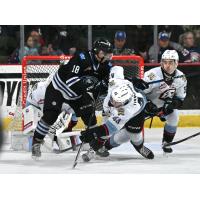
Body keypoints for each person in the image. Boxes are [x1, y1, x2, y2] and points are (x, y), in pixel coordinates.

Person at [31, 38, 113, 159]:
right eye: (103, 52)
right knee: (50, 116)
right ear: (96, 51)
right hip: (59, 89)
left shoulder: (105, 65)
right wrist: (91, 88)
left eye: (108, 53)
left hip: (77, 94)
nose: (106, 55)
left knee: (90, 117)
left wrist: (104, 86)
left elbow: (106, 82)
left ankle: (95, 145)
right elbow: (71, 80)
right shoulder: (81, 57)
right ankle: (36, 143)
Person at [79, 66, 154, 161]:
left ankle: (139, 147)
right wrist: (104, 80)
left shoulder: (127, 110)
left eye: (116, 102)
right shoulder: (115, 83)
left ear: (124, 103)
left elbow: (109, 129)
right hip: (117, 106)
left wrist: (92, 133)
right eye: (112, 99)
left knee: (134, 136)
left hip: (136, 115)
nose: (112, 103)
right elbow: (117, 68)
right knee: (103, 132)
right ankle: (94, 149)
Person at [143, 50, 187, 153]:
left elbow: (180, 98)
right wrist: (147, 104)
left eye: (171, 62)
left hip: (164, 107)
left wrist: (171, 105)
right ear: (161, 62)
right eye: (165, 62)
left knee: (174, 116)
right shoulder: (152, 75)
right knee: (130, 122)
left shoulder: (181, 77)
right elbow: (139, 93)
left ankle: (166, 143)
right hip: (147, 105)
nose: (167, 65)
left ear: (176, 63)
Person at [25, 73, 78, 151]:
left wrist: (71, 125)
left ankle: (62, 141)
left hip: (54, 111)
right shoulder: (39, 90)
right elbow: (31, 108)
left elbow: (73, 113)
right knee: (33, 128)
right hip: (36, 108)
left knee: (61, 121)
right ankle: (34, 144)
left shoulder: (67, 94)